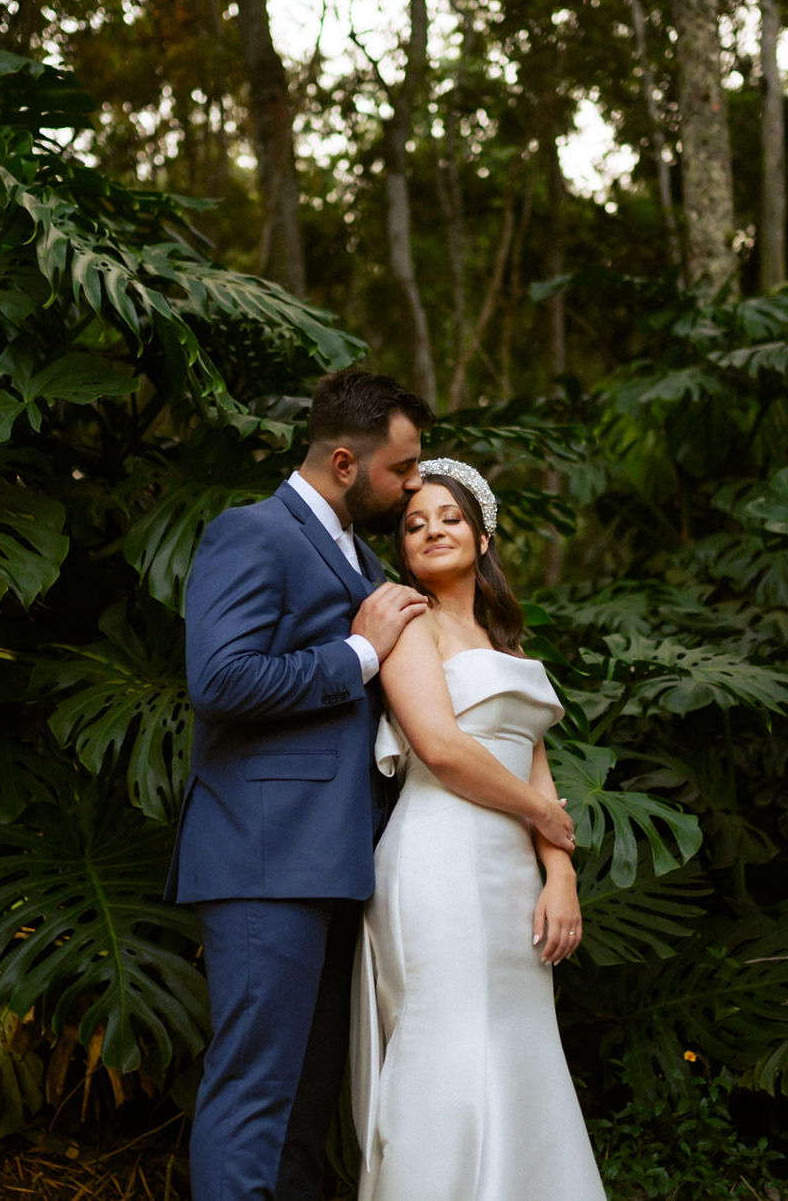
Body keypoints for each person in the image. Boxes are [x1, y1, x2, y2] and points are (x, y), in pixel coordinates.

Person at [168, 368, 434, 1201]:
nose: (414, 483)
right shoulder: (253, 533)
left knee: (304, 1108)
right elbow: (220, 679)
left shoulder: (356, 555)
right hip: (261, 858)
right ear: (347, 463)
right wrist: (357, 656)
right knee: (254, 1093)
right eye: (403, 470)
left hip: (337, 863)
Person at [349, 459, 603, 1201]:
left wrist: (560, 874)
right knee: (450, 1046)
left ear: (483, 534)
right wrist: (539, 815)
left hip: (512, 876)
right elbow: (440, 746)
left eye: (448, 517)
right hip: (438, 860)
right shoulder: (405, 618)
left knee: (520, 1050)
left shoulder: (507, 641)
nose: (431, 530)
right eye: (414, 522)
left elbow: (537, 765)